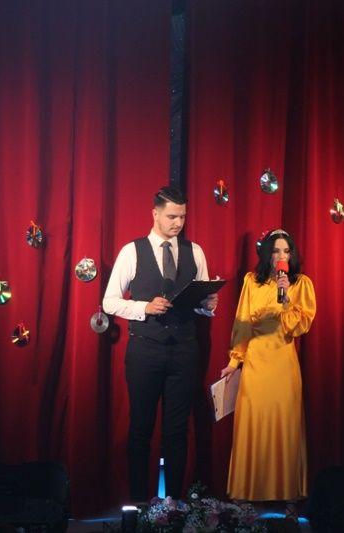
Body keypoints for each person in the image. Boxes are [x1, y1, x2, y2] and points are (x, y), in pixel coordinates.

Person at [103, 186, 218, 502]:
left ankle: (173, 505)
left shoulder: (195, 252)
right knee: (141, 429)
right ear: (155, 214)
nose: (177, 223)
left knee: (177, 431)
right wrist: (144, 307)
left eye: (182, 216)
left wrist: (208, 304)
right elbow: (110, 301)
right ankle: (139, 505)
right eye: (171, 216)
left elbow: (200, 302)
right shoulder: (132, 251)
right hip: (145, 350)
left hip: (185, 350)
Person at [219, 229, 316, 520]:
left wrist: (286, 298)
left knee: (284, 427)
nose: (281, 256)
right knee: (253, 426)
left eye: (286, 251)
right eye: (275, 251)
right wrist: (234, 361)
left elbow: (299, 327)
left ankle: (289, 497)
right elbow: (243, 322)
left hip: (283, 364)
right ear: (267, 254)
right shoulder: (252, 281)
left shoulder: (301, 284)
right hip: (256, 363)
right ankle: (245, 494)